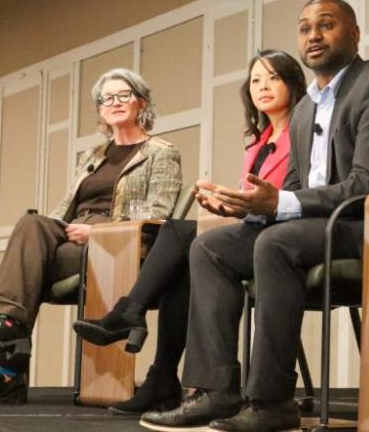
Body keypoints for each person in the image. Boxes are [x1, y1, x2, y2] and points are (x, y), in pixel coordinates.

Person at [141, 0, 369, 432]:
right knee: (211, 246)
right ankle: (215, 391)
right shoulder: (308, 106)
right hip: (315, 227)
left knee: (278, 241)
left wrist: (281, 205)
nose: (313, 35)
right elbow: (290, 189)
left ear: (353, 34)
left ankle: (272, 402)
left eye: (326, 25)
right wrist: (245, 206)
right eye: (305, 28)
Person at [72, 50, 306, 414]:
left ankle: (132, 317)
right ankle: (162, 377)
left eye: (273, 78)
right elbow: (252, 200)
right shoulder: (257, 142)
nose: (263, 87)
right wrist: (225, 204)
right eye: (256, 80)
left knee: (179, 232)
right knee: (184, 263)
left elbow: (291, 194)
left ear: (292, 83)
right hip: (253, 230)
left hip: (286, 235)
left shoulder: (304, 133)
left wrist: (243, 207)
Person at [0, 69, 182, 404]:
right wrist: (54, 233)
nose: (115, 103)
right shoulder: (94, 155)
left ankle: (9, 363)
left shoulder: (160, 152)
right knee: (31, 225)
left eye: (124, 95)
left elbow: (158, 215)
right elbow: (62, 210)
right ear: (100, 110)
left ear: (141, 102)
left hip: (117, 243)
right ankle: (9, 328)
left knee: (23, 269)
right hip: (73, 234)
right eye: (107, 98)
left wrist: (97, 233)